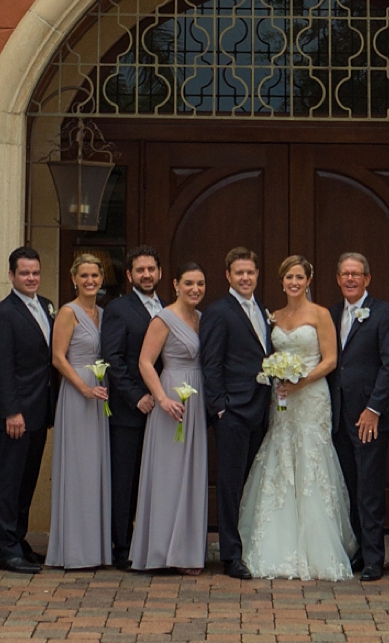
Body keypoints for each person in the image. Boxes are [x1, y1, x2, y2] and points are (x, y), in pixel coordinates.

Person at [239, 255, 356, 580]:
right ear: (282, 281)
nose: (293, 282)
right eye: (288, 277)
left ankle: (318, 545)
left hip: (312, 396)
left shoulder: (320, 314)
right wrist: (278, 377)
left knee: (311, 458)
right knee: (281, 457)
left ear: (309, 280)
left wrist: (300, 380)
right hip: (282, 400)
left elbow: (331, 360)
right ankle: (277, 540)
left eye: (299, 277)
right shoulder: (273, 317)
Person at [329, 251, 389, 580]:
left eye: (356, 274)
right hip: (337, 414)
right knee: (348, 484)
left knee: (370, 487)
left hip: (368, 416)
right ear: (337, 278)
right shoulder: (330, 314)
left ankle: (374, 556)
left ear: (367, 279)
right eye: (345, 274)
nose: (350, 279)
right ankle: (358, 549)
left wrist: (374, 409)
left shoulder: (385, 314)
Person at [199, 246, 272, 579]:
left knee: (252, 482)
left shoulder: (262, 310)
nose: (245, 277)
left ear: (257, 275)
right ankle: (230, 554)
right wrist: (219, 408)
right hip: (232, 412)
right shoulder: (219, 311)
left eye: (250, 272)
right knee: (229, 484)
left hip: (262, 409)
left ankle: (251, 544)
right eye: (239, 272)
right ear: (228, 276)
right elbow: (211, 362)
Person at [0, 245, 56, 575]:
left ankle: (19, 539)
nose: (31, 278)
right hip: (15, 415)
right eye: (24, 273)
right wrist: (12, 411)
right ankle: (6, 549)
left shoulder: (46, 306)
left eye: (35, 272)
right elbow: (2, 365)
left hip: (40, 410)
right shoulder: (2, 313)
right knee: (9, 482)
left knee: (28, 481)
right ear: (11, 275)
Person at [131, 262, 208, 571]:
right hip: (171, 396)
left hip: (197, 397)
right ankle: (161, 551)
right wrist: (161, 399)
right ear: (175, 283)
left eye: (200, 283)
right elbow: (145, 362)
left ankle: (186, 551)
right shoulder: (163, 318)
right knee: (168, 473)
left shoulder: (202, 318)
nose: (195, 289)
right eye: (189, 282)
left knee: (190, 473)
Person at [46, 249, 112, 570]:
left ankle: (95, 549)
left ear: (101, 280)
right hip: (76, 394)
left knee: (96, 468)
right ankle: (73, 550)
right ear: (73, 279)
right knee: (78, 467)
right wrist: (83, 387)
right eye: (83, 275)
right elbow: (58, 357)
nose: (89, 280)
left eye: (95, 276)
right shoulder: (68, 313)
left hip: (100, 394)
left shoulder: (103, 312)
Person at [101, 247, 164, 572]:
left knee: (153, 479)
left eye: (151, 269)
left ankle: (149, 542)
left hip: (163, 411)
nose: (146, 275)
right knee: (125, 480)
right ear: (129, 275)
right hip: (129, 411)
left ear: (160, 272)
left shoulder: (169, 308)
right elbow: (113, 358)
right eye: (140, 270)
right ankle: (122, 546)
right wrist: (137, 396)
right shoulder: (118, 309)